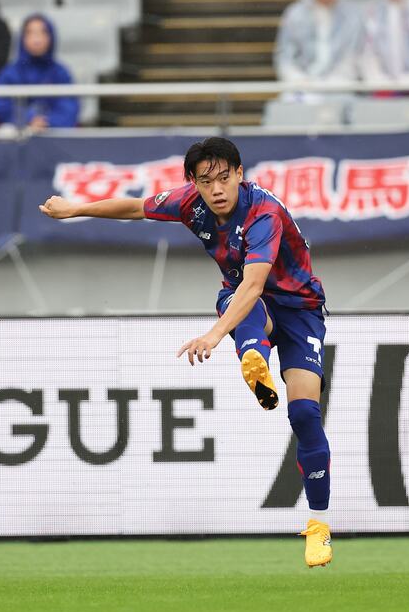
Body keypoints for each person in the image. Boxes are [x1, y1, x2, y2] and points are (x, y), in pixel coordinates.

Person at [39, 138, 334, 569]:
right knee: (240, 302)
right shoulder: (190, 204)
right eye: (205, 181)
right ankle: (254, 358)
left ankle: (319, 525)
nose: (216, 189)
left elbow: (256, 282)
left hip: (300, 310)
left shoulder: (263, 214)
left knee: (305, 414)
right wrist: (75, 209)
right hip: (247, 304)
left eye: (224, 178)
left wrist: (213, 335)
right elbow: (134, 208)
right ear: (194, 183)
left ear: (239, 174)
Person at [0, 14, 79, 130]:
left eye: (42, 33)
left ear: (51, 37)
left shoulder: (61, 73)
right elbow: (1, 106)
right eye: (30, 33)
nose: (37, 39)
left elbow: (68, 107)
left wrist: (47, 121)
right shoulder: (9, 73)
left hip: (53, 130)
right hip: (18, 130)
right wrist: (29, 118)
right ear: (22, 38)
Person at [274, 0, 363, 86]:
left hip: (341, 84)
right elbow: (285, 58)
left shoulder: (352, 15)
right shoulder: (295, 14)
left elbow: (355, 55)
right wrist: (298, 78)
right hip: (303, 85)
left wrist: (338, 80)